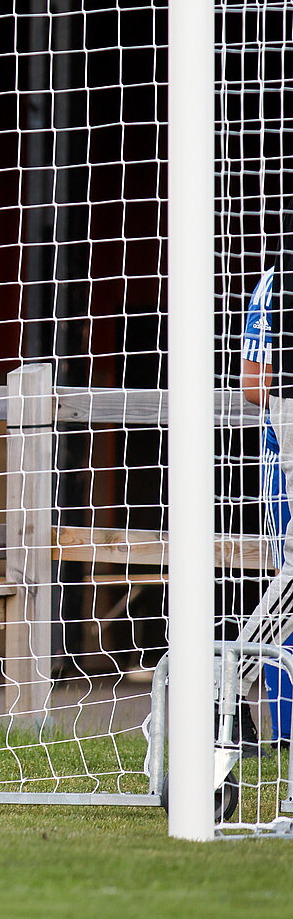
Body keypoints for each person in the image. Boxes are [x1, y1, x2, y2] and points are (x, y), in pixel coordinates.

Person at [236, 266, 292, 745]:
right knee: (290, 584)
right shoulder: (274, 285)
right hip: (287, 463)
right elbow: (254, 385)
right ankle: (281, 723)